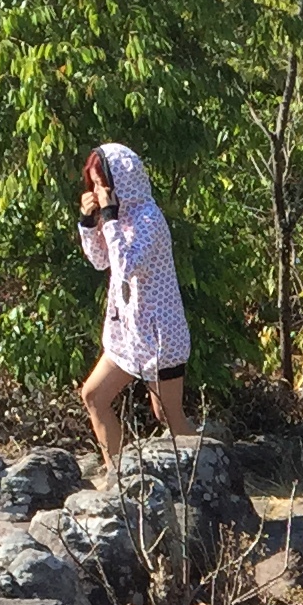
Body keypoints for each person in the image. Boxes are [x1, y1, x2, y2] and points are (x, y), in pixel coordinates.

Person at [76, 144, 189, 469]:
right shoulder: (119, 220)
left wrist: (108, 217)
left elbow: (125, 265)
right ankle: (118, 480)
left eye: (101, 184)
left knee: (168, 415)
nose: (96, 191)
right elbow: (101, 262)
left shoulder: (149, 220)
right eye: (93, 184)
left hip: (159, 338)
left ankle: (213, 476)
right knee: (94, 396)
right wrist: (89, 222)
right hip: (127, 334)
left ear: (120, 183)